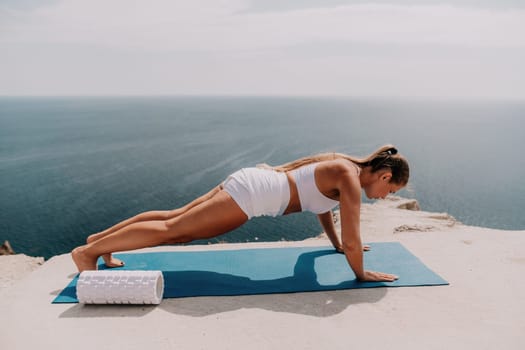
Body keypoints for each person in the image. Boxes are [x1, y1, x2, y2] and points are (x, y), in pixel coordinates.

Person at [72, 144, 409, 282]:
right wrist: (361, 274)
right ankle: (89, 253)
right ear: (384, 175)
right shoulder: (349, 177)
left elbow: (323, 210)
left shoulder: (343, 168)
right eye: (390, 190)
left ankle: (99, 241)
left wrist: (334, 244)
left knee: (175, 218)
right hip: (251, 195)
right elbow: (355, 238)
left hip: (250, 183)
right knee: (177, 230)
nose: (384, 197)